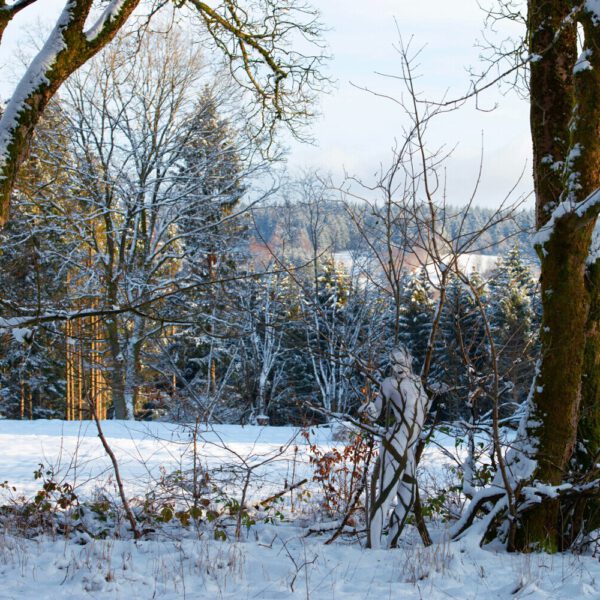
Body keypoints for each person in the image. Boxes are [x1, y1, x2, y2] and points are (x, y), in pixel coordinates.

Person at [360, 347, 429, 548]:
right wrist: (368, 410)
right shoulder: (389, 384)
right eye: (392, 363)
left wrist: (434, 395)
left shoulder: (417, 382)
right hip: (395, 443)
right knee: (385, 497)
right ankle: (374, 547)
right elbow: (377, 412)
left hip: (409, 447)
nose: (396, 367)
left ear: (408, 359)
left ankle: (391, 544)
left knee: (408, 498)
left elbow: (422, 412)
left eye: (400, 361)